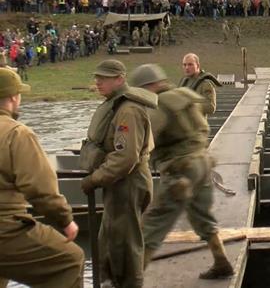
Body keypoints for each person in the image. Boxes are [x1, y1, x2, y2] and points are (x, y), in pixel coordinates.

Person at [130, 64, 234, 279]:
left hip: (181, 172)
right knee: (202, 217)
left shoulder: (158, 106)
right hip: (202, 163)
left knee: (153, 224)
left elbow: (145, 140)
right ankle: (221, 260)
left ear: (147, 87)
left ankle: (131, 280)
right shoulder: (183, 96)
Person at [0, 67, 84, 288]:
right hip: (5, 229)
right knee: (70, 261)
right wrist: (65, 220)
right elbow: (40, 189)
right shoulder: (17, 133)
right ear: (12, 97)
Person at [80, 59, 158, 288]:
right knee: (110, 240)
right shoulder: (115, 105)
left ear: (120, 79)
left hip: (129, 183)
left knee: (125, 244)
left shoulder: (129, 110)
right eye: (97, 77)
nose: (97, 82)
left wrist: (94, 179)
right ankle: (111, 282)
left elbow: (125, 158)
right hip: (119, 183)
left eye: (103, 78)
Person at [179, 53, 221, 118]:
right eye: (184, 65)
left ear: (198, 66)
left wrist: (191, 105)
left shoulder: (205, 84)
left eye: (190, 64)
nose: (187, 67)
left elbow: (211, 107)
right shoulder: (184, 82)